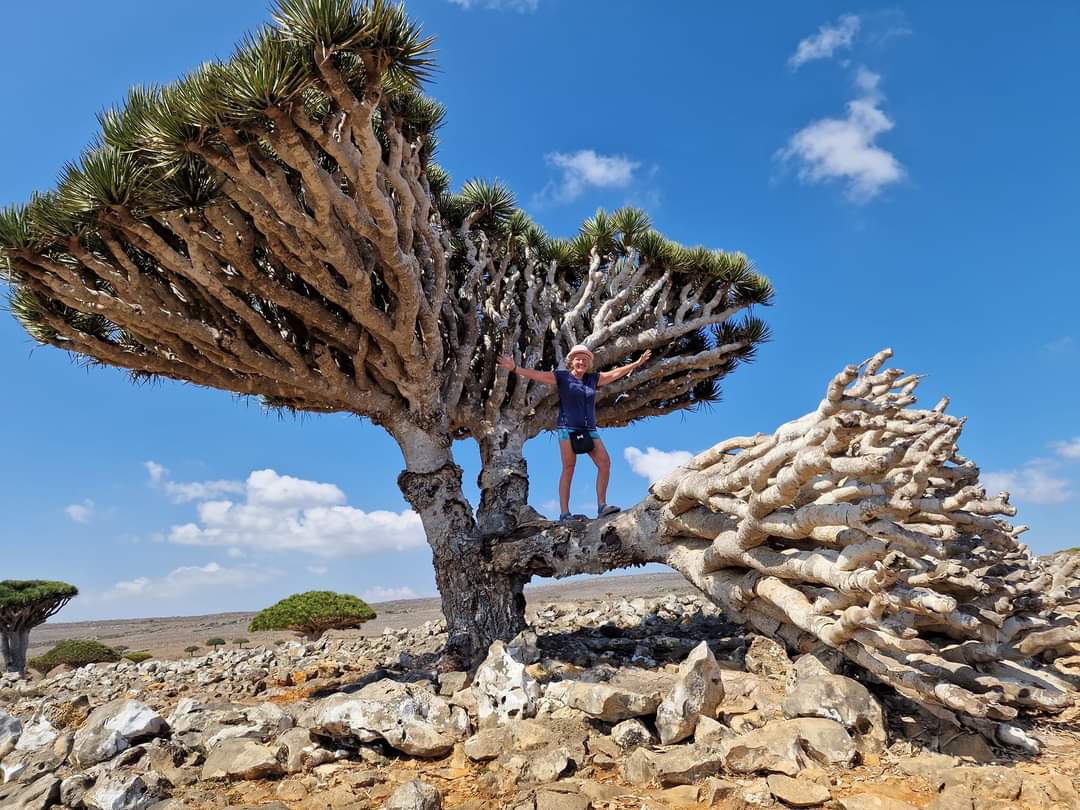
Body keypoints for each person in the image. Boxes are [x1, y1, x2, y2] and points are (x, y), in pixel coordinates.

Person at [497, 344, 652, 522]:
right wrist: (515, 368)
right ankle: (564, 513)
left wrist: (636, 364)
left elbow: (614, 373)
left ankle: (602, 506)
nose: (581, 362)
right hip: (567, 428)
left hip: (589, 429)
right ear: (572, 361)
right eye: (578, 359)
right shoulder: (562, 377)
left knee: (605, 464)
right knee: (569, 468)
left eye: (585, 360)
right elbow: (539, 375)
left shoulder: (592, 379)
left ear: (589, 363)